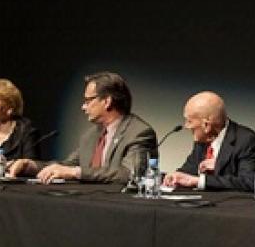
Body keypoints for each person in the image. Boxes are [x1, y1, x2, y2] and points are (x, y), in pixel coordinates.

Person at [8, 72, 156, 184]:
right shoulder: (91, 135)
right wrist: (30, 166)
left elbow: (129, 174)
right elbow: (67, 166)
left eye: (88, 100)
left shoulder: (139, 133)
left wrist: (76, 173)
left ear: (106, 101)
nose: (83, 107)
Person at [164, 91, 255, 191]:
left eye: (189, 121)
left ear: (206, 125)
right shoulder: (202, 141)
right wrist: (174, 176)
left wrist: (200, 180)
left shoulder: (246, 141)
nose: (186, 126)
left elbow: (251, 182)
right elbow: (188, 171)